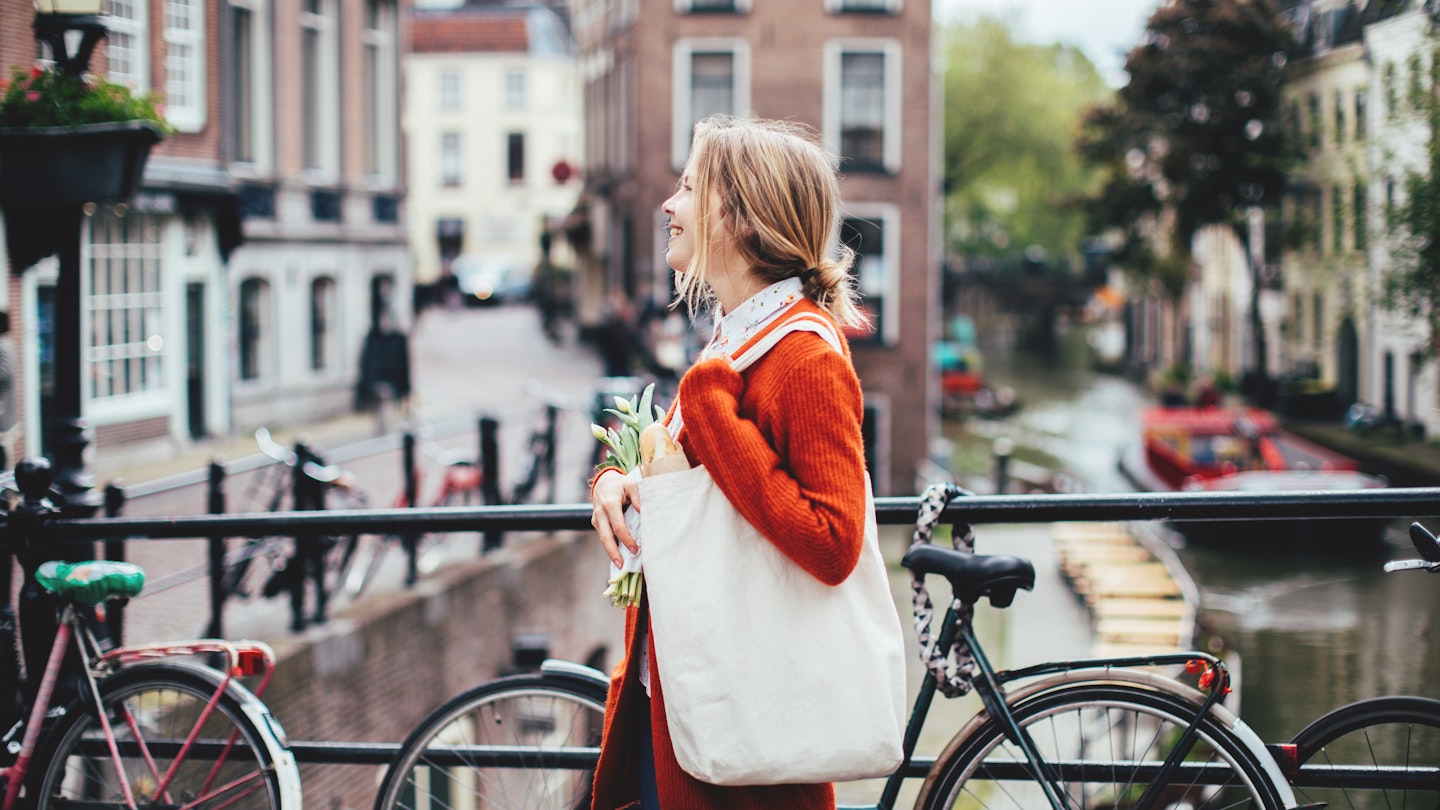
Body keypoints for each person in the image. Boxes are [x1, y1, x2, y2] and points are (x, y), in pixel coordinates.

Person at [588, 115, 870, 810]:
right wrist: (617, 482)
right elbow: (700, 478)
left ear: (741, 217)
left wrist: (710, 409)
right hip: (685, 702)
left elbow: (834, 542)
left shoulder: (803, 358)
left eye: (688, 188)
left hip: (746, 741)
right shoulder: (738, 338)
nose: (668, 204)